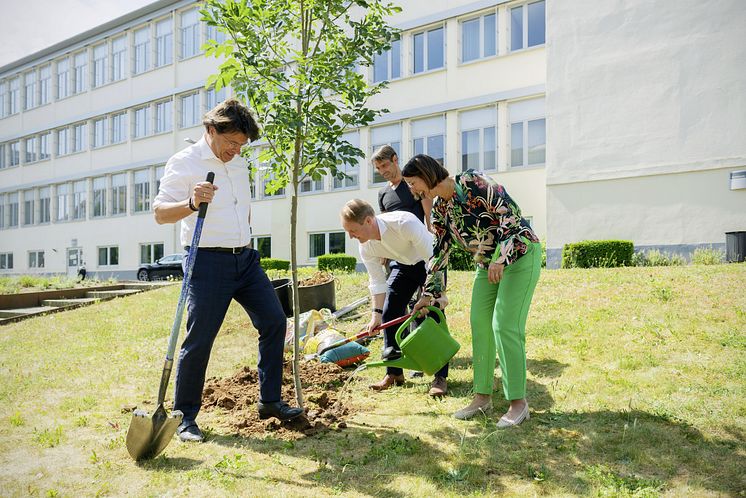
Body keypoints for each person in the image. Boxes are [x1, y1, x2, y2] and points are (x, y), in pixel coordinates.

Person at [153, 99, 302, 442]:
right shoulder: (185, 162)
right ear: (210, 130)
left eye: (241, 145)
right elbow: (160, 213)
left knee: (275, 321)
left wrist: (245, 239)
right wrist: (191, 203)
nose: (235, 150)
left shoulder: (238, 165)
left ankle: (270, 401)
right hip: (207, 261)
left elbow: (242, 209)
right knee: (200, 339)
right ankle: (185, 417)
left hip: (246, 259)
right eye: (230, 143)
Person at [403, 154, 541, 426]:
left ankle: (518, 403)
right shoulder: (442, 210)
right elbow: (440, 251)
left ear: (426, 174)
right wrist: (429, 293)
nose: (411, 190)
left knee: (505, 325)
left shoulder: (472, 181)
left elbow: (510, 215)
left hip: (520, 254)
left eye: (412, 182)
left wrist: (501, 257)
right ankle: (482, 398)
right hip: (487, 265)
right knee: (479, 324)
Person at [340, 199, 448, 396]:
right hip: (403, 265)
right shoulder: (366, 247)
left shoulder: (403, 223)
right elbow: (377, 282)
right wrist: (376, 315)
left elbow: (433, 260)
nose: (350, 236)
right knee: (389, 312)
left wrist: (428, 295)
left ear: (368, 221)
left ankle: (440, 377)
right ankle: (394, 373)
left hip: (430, 263)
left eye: (352, 230)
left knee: (431, 314)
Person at [371, 145, 449, 394]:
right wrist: (383, 252)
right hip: (400, 261)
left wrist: (434, 250)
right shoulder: (384, 194)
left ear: (395, 160)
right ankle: (394, 372)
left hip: (424, 257)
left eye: (385, 165)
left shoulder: (414, 183)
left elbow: (431, 217)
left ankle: (440, 376)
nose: (383, 171)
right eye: (378, 168)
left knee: (429, 309)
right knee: (391, 308)